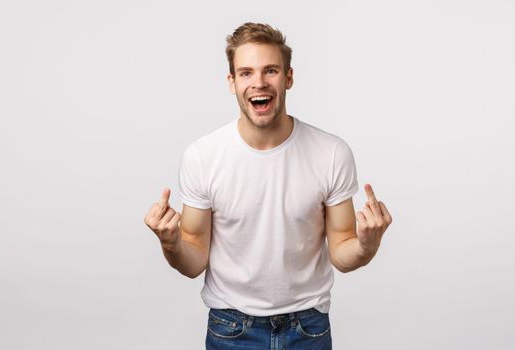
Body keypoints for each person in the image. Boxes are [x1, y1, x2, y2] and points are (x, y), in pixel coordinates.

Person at [144, 22, 393, 350]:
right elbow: (193, 261)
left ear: (288, 78)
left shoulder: (331, 153)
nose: (258, 82)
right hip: (231, 326)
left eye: (270, 70)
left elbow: (343, 251)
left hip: (308, 326)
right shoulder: (202, 156)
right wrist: (171, 243)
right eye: (245, 72)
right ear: (231, 82)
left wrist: (367, 244)